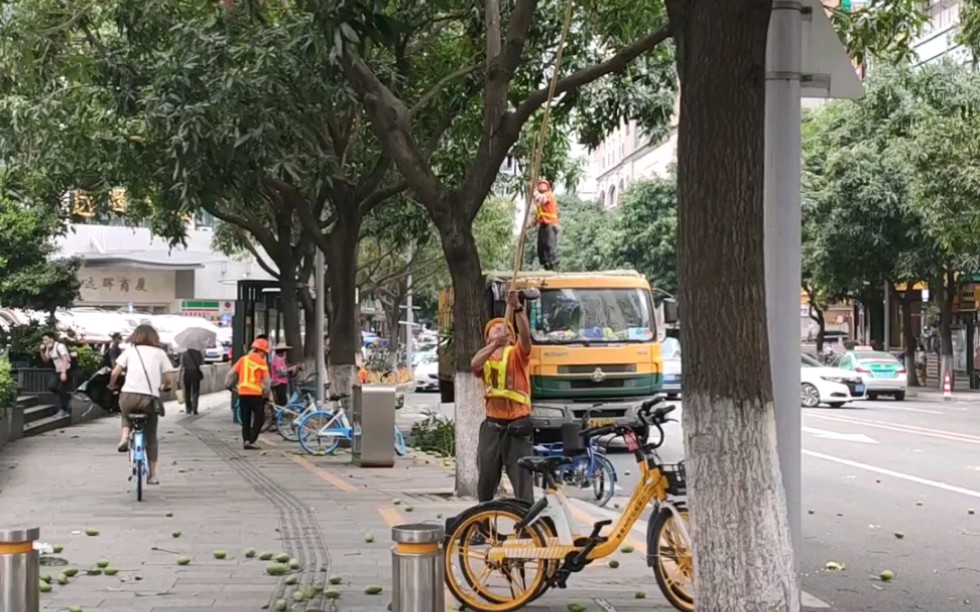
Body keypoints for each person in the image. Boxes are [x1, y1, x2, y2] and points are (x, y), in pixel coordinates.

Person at [471, 289, 534, 504]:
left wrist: (517, 308)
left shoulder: (518, 354)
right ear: (488, 337)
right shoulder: (486, 357)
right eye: (494, 330)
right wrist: (492, 346)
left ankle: (527, 529)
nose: (499, 331)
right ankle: (481, 526)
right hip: (492, 427)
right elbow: (474, 364)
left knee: (523, 482)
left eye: (504, 329)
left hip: (517, 427)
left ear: (510, 337)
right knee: (486, 481)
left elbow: (525, 336)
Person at [108, 324, 174, 485]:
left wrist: (111, 385)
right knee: (151, 437)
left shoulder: (129, 351)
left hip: (128, 396)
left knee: (125, 413)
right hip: (149, 399)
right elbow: (168, 378)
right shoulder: (160, 353)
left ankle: (124, 436)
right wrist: (165, 387)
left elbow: (115, 372)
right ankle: (152, 475)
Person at [230, 338, 271, 450]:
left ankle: (246, 440)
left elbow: (231, 373)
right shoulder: (262, 363)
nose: (264, 356)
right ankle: (252, 439)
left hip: (243, 393)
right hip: (255, 394)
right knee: (259, 417)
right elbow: (267, 381)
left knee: (245, 418)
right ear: (261, 351)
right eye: (265, 353)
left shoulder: (243, 359)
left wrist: (228, 385)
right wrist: (266, 394)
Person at [39, 333, 73, 416]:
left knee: (61, 389)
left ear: (52, 339)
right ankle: (66, 398)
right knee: (52, 386)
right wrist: (41, 351)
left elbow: (65, 359)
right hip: (57, 370)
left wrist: (64, 372)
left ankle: (63, 409)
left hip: (66, 369)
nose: (44, 342)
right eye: (43, 340)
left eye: (46, 340)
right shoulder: (48, 348)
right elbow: (46, 360)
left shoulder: (60, 346)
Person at [529, 179, 559, 270]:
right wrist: (528, 226)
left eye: (543, 185)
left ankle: (552, 264)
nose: (541, 187)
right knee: (541, 247)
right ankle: (545, 264)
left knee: (549, 245)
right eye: (540, 185)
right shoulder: (539, 205)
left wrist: (533, 191)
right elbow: (537, 218)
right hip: (543, 225)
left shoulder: (548, 195)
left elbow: (541, 198)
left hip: (550, 225)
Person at [270, 342, 297, 407]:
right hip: (279, 384)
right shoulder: (277, 360)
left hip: (282, 383)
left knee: (283, 401)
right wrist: (290, 369)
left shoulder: (280, 360)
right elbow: (281, 373)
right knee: (282, 402)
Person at [179, 345, 204, 415]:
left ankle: (188, 408)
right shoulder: (198, 353)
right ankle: (195, 407)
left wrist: (178, 377)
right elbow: (201, 362)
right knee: (196, 391)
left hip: (187, 373)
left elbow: (181, 366)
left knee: (187, 391)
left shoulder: (184, 353)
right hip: (195, 373)